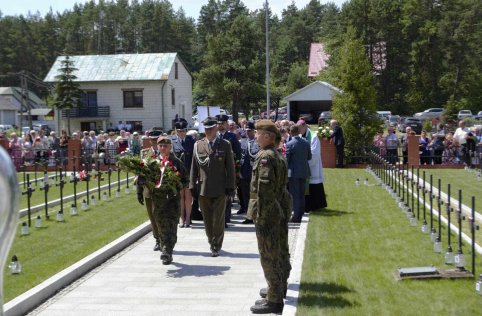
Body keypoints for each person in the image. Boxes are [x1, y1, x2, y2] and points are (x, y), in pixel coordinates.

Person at [248, 119, 289, 314]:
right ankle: (278, 287)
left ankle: (274, 300)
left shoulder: (265, 156)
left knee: (269, 254)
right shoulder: (277, 155)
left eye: (258, 133)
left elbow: (264, 190)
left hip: (268, 213)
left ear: (268, 136)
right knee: (280, 251)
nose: (255, 136)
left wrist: (261, 216)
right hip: (278, 210)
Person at [190, 117, 235, 257]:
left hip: (220, 188)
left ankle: (217, 244)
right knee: (207, 219)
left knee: (218, 219)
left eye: (211, 128)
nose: (208, 131)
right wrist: (192, 185)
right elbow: (194, 167)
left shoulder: (225, 144)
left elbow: (230, 167)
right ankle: (211, 240)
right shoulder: (198, 145)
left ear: (216, 128)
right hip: (203, 188)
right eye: (206, 129)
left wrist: (231, 186)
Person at [151, 135, 189, 265]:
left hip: (172, 201)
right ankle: (164, 247)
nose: (163, 148)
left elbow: (185, 179)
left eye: (165, 146)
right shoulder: (152, 162)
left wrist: (176, 185)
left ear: (170, 147)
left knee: (172, 226)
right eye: (160, 146)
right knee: (161, 226)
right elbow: (145, 178)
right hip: (158, 201)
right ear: (157, 147)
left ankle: (167, 251)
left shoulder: (177, 162)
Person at [137, 129, 162, 251]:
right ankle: (157, 239)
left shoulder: (167, 153)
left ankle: (165, 238)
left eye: (156, 139)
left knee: (162, 216)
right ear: (150, 141)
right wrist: (139, 191)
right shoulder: (145, 153)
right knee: (152, 216)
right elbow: (140, 173)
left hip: (163, 191)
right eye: (152, 139)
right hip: (149, 190)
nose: (155, 142)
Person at [215, 114, 241, 228]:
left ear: (226, 124)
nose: (220, 126)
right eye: (219, 124)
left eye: (223, 123)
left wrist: (236, 168)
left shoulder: (232, 137)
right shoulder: (213, 136)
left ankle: (226, 217)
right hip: (216, 170)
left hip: (228, 170)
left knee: (228, 194)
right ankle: (219, 218)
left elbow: (238, 153)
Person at [297, 119, 327, 211]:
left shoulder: (313, 136)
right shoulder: (299, 135)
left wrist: (306, 163)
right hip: (302, 164)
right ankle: (306, 205)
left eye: (300, 128)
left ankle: (316, 205)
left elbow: (315, 153)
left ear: (305, 126)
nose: (299, 130)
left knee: (313, 185)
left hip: (312, 166)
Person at [171, 118, 195, 227]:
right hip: (177, 173)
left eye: (183, 130)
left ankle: (188, 218)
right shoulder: (172, 141)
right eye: (179, 131)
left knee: (188, 197)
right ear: (176, 130)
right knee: (180, 196)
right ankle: (181, 218)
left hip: (189, 172)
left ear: (186, 130)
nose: (181, 133)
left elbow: (195, 158)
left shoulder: (191, 141)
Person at [285, 124, 311, 223]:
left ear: (290, 133)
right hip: (304, 171)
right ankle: (300, 213)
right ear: (299, 132)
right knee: (301, 194)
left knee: (295, 195)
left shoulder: (289, 144)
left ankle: (296, 216)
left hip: (294, 172)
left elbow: (287, 160)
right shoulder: (306, 143)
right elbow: (309, 157)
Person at [238, 121, 259, 220]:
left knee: (254, 195)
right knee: (245, 195)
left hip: (253, 173)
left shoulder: (257, 142)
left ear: (254, 131)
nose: (248, 132)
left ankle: (254, 214)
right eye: (246, 130)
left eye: (250, 130)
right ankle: (248, 215)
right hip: (243, 172)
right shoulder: (242, 141)